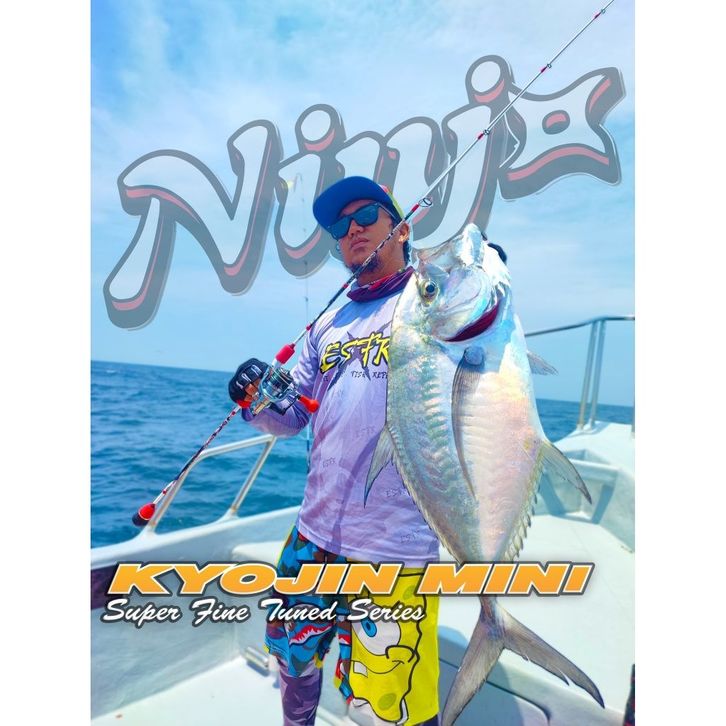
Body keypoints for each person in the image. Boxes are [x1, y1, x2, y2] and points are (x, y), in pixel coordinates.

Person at [228, 176, 442, 726]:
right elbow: (292, 415)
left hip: (395, 547)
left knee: (389, 700)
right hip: (314, 532)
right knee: (292, 654)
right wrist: (256, 399)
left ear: (402, 227)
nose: (352, 231)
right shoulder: (329, 320)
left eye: (366, 216)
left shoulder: (432, 301)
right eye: (339, 227)